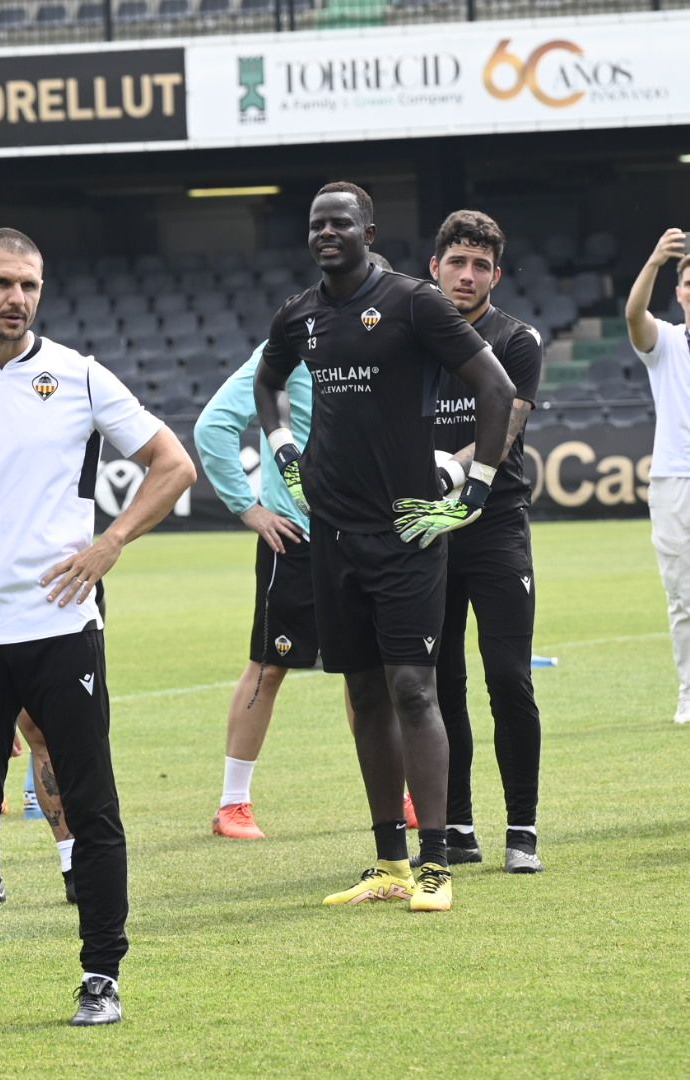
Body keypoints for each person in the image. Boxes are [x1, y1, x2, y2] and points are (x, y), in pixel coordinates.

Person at [0, 228, 196, 1029]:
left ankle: (100, 976)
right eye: (2, 285)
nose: (16, 299)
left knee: (92, 807)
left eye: (29, 285)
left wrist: (109, 542)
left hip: (59, 631)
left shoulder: (80, 375)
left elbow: (174, 465)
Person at [254, 182, 515, 914]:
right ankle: (388, 861)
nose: (327, 232)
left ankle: (435, 863)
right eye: (316, 224)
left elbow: (494, 388)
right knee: (363, 690)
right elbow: (268, 381)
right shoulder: (300, 314)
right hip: (332, 533)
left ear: (368, 229)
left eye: (341, 222)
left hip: (405, 528)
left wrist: (477, 487)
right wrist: (282, 445)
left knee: (412, 688)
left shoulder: (412, 301)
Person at [191, 254, 392, 841]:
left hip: (372, 531)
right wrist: (249, 508)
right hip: (298, 534)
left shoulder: (393, 345)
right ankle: (233, 804)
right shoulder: (290, 346)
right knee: (270, 665)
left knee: (371, 672)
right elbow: (213, 427)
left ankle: (393, 795)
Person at [427, 210, 546, 873]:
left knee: (509, 679)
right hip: (429, 535)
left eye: (480, 266)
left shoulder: (516, 339)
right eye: (457, 262)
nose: (467, 275)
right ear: (434, 268)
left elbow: (507, 419)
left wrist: (451, 467)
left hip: (495, 527)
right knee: (442, 687)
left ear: (495, 275)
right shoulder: (414, 340)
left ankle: (522, 829)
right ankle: (459, 826)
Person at [623, 227, 690, 725]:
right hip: (674, 482)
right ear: (680, 292)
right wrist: (655, 261)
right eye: (688, 280)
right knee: (683, 597)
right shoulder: (665, 341)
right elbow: (633, 315)